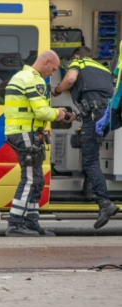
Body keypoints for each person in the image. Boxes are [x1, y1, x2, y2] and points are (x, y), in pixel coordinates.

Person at [52, 46, 119, 229]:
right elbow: (98, 98)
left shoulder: (78, 62)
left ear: (75, 56)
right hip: (105, 118)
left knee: (90, 160)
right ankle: (90, 189)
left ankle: (104, 203)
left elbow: (71, 78)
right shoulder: (103, 69)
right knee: (90, 154)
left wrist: (56, 90)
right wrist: (77, 116)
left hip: (94, 116)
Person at [4, 50, 69, 237]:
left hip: (22, 132)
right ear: (46, 62)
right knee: (31, 179)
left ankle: (31, 222)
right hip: (25, 133)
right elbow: (41, 112)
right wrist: (58, 113)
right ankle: (15, 224)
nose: (53, 73)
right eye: (53, 69)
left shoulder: (21, 76)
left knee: (37, 180)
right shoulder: (34, 79)